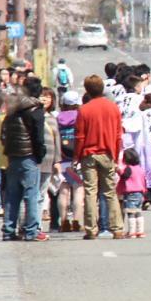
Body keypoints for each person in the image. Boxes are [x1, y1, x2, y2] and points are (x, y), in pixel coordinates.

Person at [74, 75, 125, 240]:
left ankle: (91, 229)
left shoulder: (84, 110)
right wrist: (116, 157)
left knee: (90, 192)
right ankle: (117, 228)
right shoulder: (113, 108)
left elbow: (80, 136)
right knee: (110, 192)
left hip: (89, 154)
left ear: (87, 90)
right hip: (108, 153)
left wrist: (77, 156)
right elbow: (118, 135)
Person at [1, 77, 49, 242]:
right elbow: (38, 136)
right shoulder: (36, 109)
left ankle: (8, 230)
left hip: (13, 155)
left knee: (12, 195)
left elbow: (3, 133)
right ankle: (31, 231)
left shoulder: (12, 109)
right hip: (29, 156)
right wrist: (40, 153)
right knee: (31, 194)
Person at [57, 91, 83, 232]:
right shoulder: (80, 117)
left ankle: (63, 221)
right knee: (78, 190)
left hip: (62, 160)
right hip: (77, 160)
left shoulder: (57, 118)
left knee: (63, 191)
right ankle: (77, 221)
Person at [37, 88, 61, 225]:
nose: (45, 99)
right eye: (42, 96)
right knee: (35, 194)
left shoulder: (53, 118)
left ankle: (37, 224)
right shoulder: (33, 115)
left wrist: (57, 160)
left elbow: (56, 139)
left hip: (49, 160)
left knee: (43, 192)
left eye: (48, 97)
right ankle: (34, 224)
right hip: (35, 160)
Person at [117, 147, 147, 238]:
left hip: (130, 193)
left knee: (130, 213)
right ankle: (140, 231)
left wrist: (118, 170)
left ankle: (131, 231)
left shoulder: (129, 169)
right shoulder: (140, 169)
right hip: (140, 193)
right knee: (138, 212)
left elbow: (124, 176)